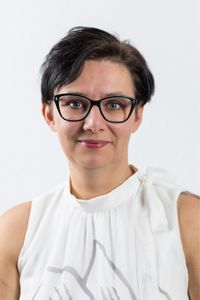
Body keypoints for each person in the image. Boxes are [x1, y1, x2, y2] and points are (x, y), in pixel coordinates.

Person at [0, 26, 199, 300]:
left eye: (114, 105)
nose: (93, 124)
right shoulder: (16, 231)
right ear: (49, 114)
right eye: (75, 103)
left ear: (137, 115)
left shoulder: (187, 220)